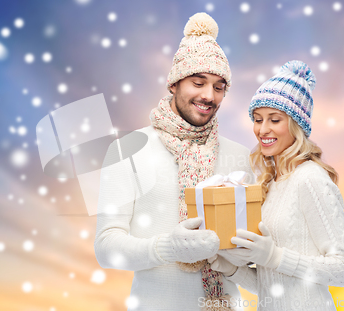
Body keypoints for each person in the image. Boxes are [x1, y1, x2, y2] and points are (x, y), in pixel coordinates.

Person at [94, 13, 254, 310]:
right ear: (174, 84)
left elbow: (253, 263)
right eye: (198, 82)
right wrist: (168, 247)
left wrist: (255, 253)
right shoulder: (126, 150)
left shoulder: (241, 158)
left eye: (219, 87)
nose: (209, 95)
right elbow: (106, 249)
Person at [208, 60, 344, 310]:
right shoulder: (271, 183)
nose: (262, 129)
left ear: (295, 124)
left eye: (274, 119)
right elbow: (273, 285)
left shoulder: (310, 179)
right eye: (258, 119)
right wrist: (232, 269)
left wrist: (274, 256)